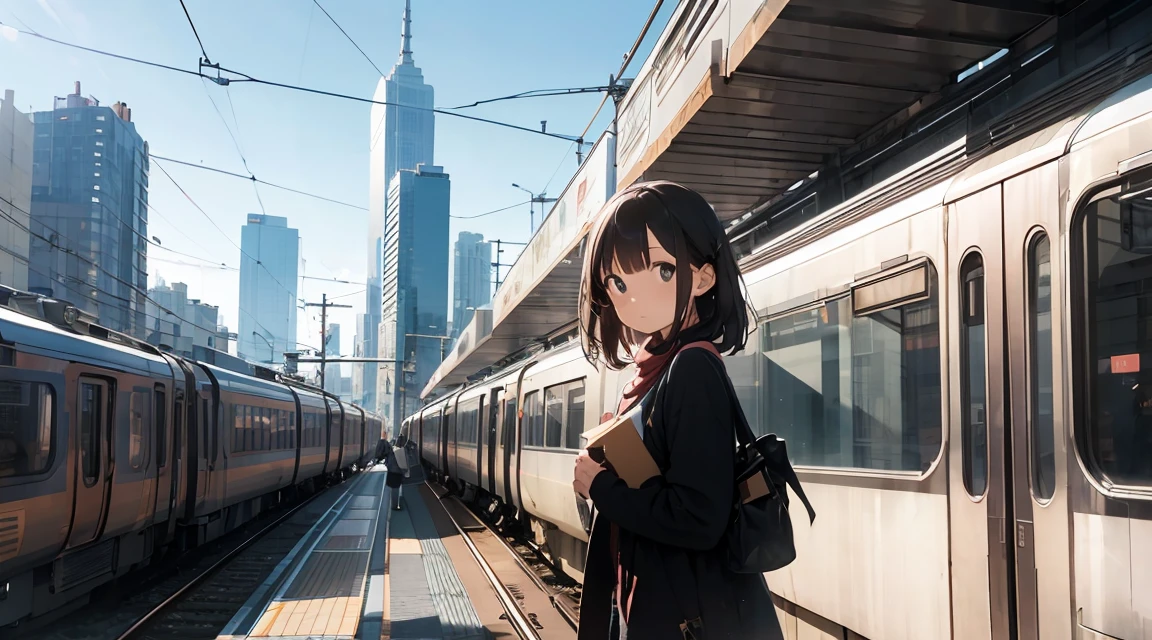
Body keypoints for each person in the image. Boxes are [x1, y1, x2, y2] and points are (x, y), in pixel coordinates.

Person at [572, 181, 783, 639]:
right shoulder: (656, 372)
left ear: (703, 278)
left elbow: (699, 519)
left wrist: (602, 487)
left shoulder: (691, 369)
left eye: (663, 272)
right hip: (664, 607)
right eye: (618, 282)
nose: (634, 298)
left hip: (687, 620)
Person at [381, 438, 404, 511]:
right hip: (396, 472)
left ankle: (391, 505)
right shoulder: (398, 451)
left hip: (392, 471)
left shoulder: (392, 452)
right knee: (395, 489)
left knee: (392, 489)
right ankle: (394, 506)